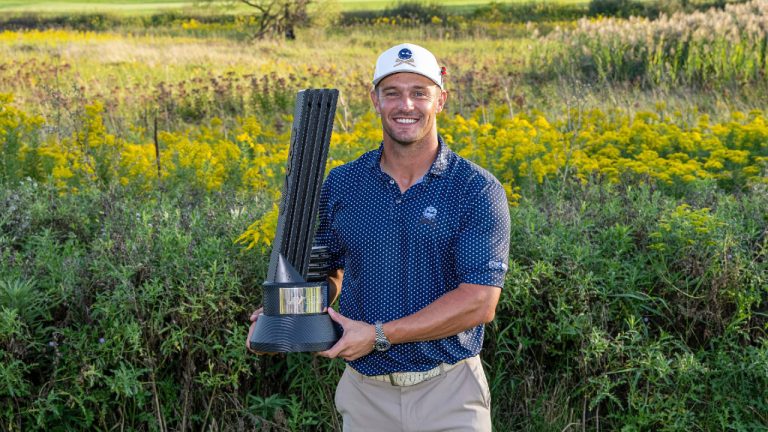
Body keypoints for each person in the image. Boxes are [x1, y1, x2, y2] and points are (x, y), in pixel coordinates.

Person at [249, 42, 510, 431]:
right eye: (393, 93)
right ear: (375, 99)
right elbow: (328, 273)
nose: (406, 105)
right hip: (365, 395)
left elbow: (479, 303)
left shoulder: (475, 189)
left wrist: (378, 335)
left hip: (450, 391)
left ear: (441, 100)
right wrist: (290, 312)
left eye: (419, 93)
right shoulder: (342, 184)